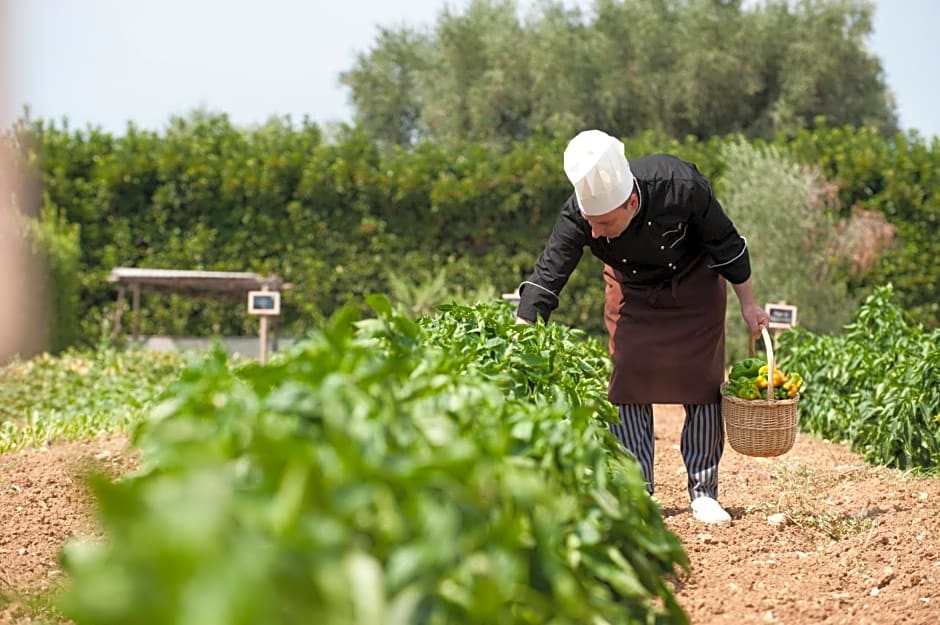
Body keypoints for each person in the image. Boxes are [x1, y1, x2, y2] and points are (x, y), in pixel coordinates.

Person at [515, 129, 770, 525]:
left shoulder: (680, 185)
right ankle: (638, 490)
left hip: (693, 283)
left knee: (701, 380)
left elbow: (727, 244)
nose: (594, 233)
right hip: (630, 287)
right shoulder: (580, 215)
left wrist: (750, 304)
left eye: (602, 223)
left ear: (632, 202)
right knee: (628, 372)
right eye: (590, 223)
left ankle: (703, 492)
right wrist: (521, 330)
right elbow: (550, 271)